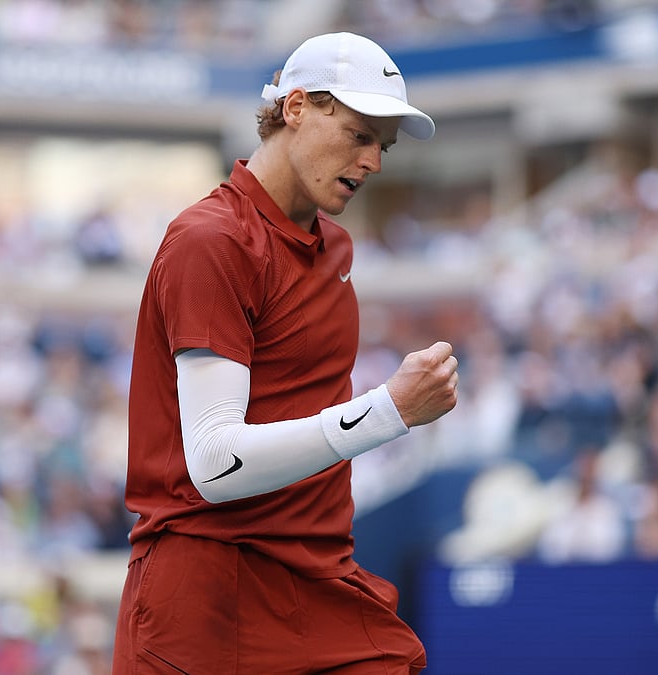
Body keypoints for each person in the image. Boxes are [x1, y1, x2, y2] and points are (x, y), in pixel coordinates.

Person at [112, 32, 459, 674]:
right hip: (206, 595)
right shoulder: (210, 241)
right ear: (296, 107)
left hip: (317, 579)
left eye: (381, 146)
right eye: (360, 135)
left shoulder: (338, 249)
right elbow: (216, 464)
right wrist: (391, 410)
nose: (375, 162)